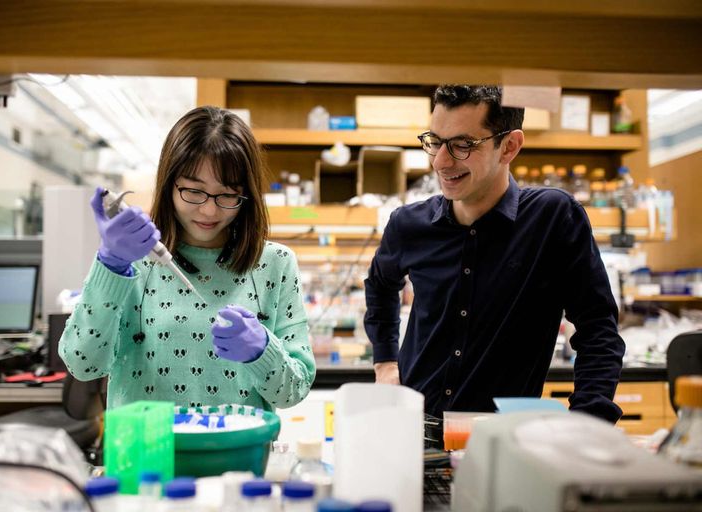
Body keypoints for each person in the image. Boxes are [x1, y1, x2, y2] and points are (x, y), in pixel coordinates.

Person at [364, 85, 625, 423]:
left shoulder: (552, 218)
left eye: (461, 145)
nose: (440, 162)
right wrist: (385, 362)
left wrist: (589, 423)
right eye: (434, 142)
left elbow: (598, 329)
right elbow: (381, 284)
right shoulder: (408, 225)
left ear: (509, 147)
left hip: (502, 436)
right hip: (416, 428)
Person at [60, 106, 316, 411]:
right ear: (169, 185)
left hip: (238, 453)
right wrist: (110, 265)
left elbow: (292, 393)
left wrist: (263, 352)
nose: (209, 211)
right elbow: (83, 364)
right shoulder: (131, 261)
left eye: (228, 195)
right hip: (147, 453)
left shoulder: (275, 263)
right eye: (194, 191)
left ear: (247, 195)